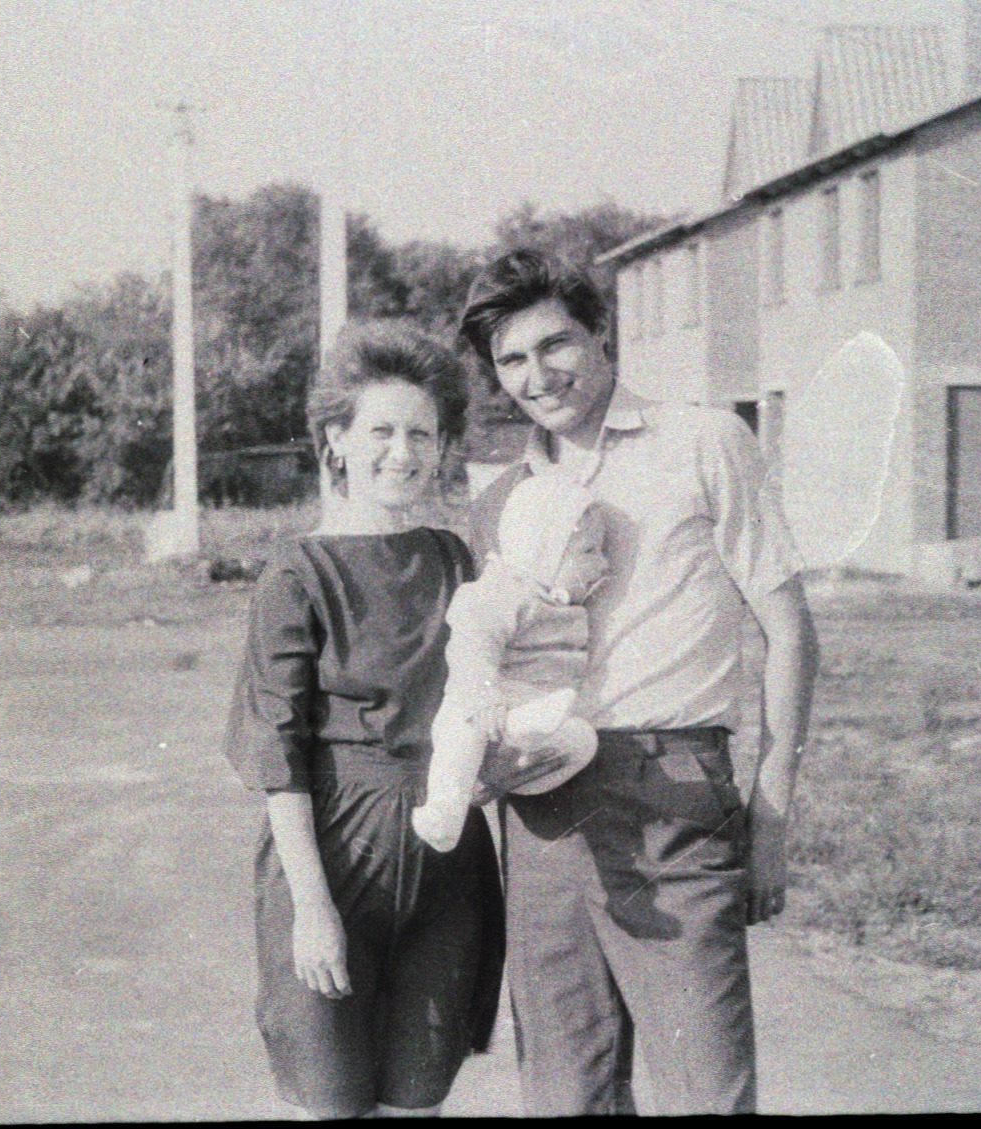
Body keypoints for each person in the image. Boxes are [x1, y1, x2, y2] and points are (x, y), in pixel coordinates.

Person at [457, 249, 820, 1116]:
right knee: (565, 1095)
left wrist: (771, 809)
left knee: (706, 1093)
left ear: (599, 332)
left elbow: (790, 630)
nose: (538, 375)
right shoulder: (503, 497)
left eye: (555, 344)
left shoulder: (703, 441)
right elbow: (490, 656)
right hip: (541, 808)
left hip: (672, 794)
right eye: (512, 359)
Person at [222, 320, 503, 1120]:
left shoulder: (454, 559)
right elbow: (278, 758)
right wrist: (312, 906)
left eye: (422, 433)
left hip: (448, 872)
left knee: (418, 1102)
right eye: (380, 430)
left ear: (442, 446)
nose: (401, 452)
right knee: (331, 1103)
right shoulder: (296, 573)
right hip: (334, 862)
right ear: (335, 440)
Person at [410, 473, 609, 853]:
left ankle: (524, 729)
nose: (602, 563)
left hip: (534, 721)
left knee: (584, 740)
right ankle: (444, 813)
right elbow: (472, 646)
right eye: (589, 551)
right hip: (488, 703)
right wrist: (484, 697)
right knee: (460, 726)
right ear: (543, 550)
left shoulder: (562, 605)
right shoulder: (499, 592)